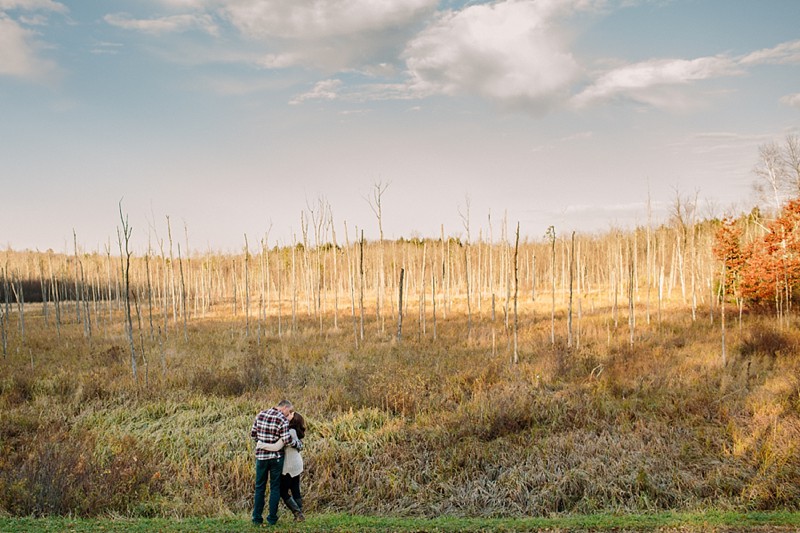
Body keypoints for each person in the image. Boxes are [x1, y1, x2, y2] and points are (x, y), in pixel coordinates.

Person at [250, 399, 302, 526]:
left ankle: (257, 518)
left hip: (261, 457)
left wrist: (263, 443)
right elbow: (287, 440)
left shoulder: (260, 414)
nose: (288, 413)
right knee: (274, 488)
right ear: (284, 407)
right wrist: (298, 444)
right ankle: (272, 518)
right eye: (288, 411)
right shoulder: (282, 419)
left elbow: (253, 435)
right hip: (276, 458)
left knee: (259, 487)